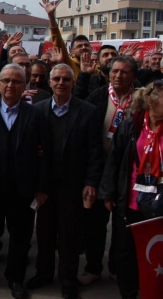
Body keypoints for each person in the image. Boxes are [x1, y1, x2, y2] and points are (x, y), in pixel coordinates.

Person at [0, 64, 50, 299]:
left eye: (16, 82)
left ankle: (15, 279)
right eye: (6, 81)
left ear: (25, 86)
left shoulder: (35, 115)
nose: (10, 86)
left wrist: (41, 188)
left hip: (22, 189)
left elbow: (45, 155)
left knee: (21, 239)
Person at [29, 64, 103, 299]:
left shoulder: (88, 111)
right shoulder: (37, 110)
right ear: (49, 83)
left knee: (70, 236)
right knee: (44, 233)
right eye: (57, 79)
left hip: (74, 184)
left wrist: (91, 182)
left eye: (66, 79)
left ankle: (68, 279)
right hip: (45, 185)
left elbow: (94, 150)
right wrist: (37, 187)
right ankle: (43, 274)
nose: (61, 83)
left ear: (73, 82)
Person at [100, 80, 163, 299]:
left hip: (159, 201)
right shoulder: (131, 125)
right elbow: (114, 161)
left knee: (156, 250)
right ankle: (128, 292)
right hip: (131, 199)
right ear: (151, 102)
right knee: (125, 250)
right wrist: (108, 193)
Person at [81, 56, 139, 285]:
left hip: (128, 171)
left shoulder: (141, 99)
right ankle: (93, 267)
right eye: (114, 71)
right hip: (98, 166)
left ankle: (118, 267)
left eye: (124, 72)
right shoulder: (98, 96)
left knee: (122, 224)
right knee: (95, 223)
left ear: (134, 76)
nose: (118, 76)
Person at [41, 0, 90, 79]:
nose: (84, 47)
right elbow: (58, 41)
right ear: (72, 51)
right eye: (79, 46)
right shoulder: (69, 64)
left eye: (86, 45)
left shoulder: (97, 69)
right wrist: (51, 17)